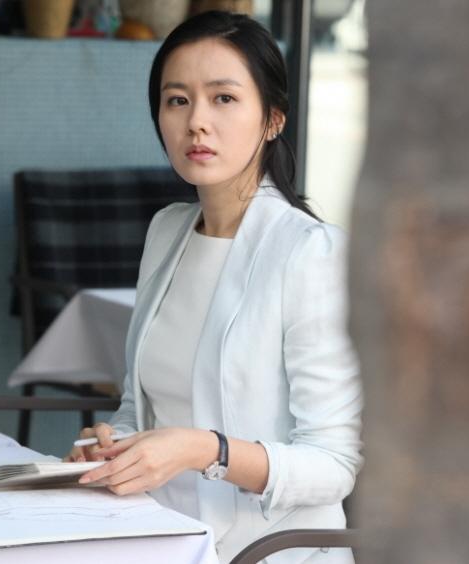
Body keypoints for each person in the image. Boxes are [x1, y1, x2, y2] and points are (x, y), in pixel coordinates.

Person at [65, 10, 363, 563]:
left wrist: (205, 450)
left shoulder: (311, 253)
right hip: (158, 539)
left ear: (273, 118)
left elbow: (333, 465)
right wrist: (112, 445)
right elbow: (140, 406)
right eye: (177, 100)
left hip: (268, 554)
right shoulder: (167, 231)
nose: (197, 122)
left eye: (224, 98)